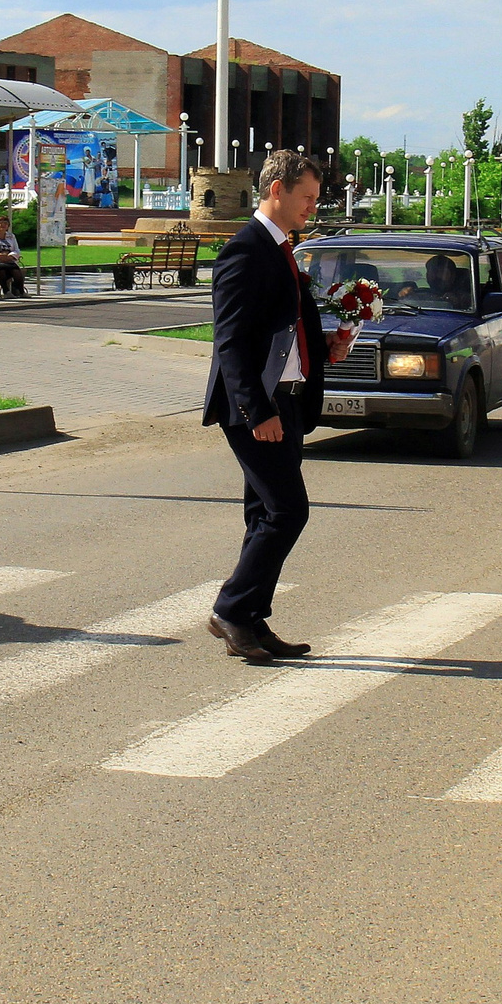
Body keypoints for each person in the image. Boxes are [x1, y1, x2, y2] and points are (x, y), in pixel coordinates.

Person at [203, 149, 354, 663]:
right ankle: (230, 609)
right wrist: (257, 412)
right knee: (288, 511)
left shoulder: (283, 250)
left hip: (287, 402)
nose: (313, 206)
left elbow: (285, 329)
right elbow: (230, 342)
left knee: (264, 513)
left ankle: (249, 619)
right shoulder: (245, 250)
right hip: (256, 409)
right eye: (307, 197)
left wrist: (327, 346)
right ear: (277, 190)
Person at [0, 216, 25, 298]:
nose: (3, 225)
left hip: (9, 260)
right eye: (1, 223)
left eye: (6, 223)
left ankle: (21, 291)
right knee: (1, 271)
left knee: (17, 272)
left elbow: (17, 250)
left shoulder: (11, 236)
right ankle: (6, 292)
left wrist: (10, 256)